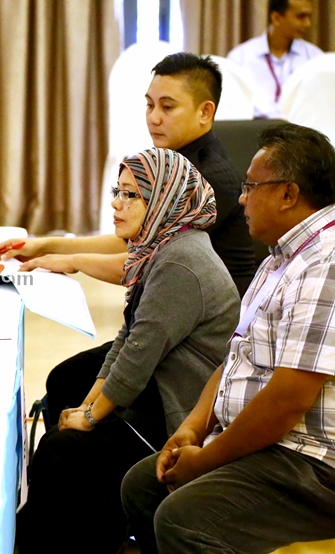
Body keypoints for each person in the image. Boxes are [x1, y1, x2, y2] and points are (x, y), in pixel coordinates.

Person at [0, 53, 255, 424]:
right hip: (167, 317)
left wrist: (72, 259)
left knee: (68, 382)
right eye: (149, 105)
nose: (154, 117)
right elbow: (131, 243)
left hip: (198, 342)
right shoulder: (169, 166)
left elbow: (144, 264)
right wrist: (47, 245)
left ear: (205, 112)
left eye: (168, 107)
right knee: (67, 379)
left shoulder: (208, 182)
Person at [121, 122, 335, 553]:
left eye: (250, 186)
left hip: (312, 461)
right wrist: (191, 429)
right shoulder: (280, 257)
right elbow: (236, 354)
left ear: (288, 193)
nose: (240, 199)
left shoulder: (324, 264)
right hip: (272, 441)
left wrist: (208, 460)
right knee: (142, 485)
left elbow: (288, 399)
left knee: (184, 519)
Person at [15, 148, 240, 553]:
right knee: (67, 406)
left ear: (165, 199)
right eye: (116, 192)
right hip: (160, 385)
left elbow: (139, 356)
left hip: (181, 409)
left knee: (63, 451)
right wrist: (87, 408)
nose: (117, 204)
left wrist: (88, 417)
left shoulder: (181, 262)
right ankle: (79, 528)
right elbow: (128, 336)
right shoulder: (161, 246)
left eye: (131, 195)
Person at [227, 0, 323, 119]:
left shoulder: (315, 58)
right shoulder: (240, 57)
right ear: (277, 18)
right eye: (301, 17)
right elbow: (232, 105)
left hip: (301, 132)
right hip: (253, 131)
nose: (308, 23)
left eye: (309, 17)